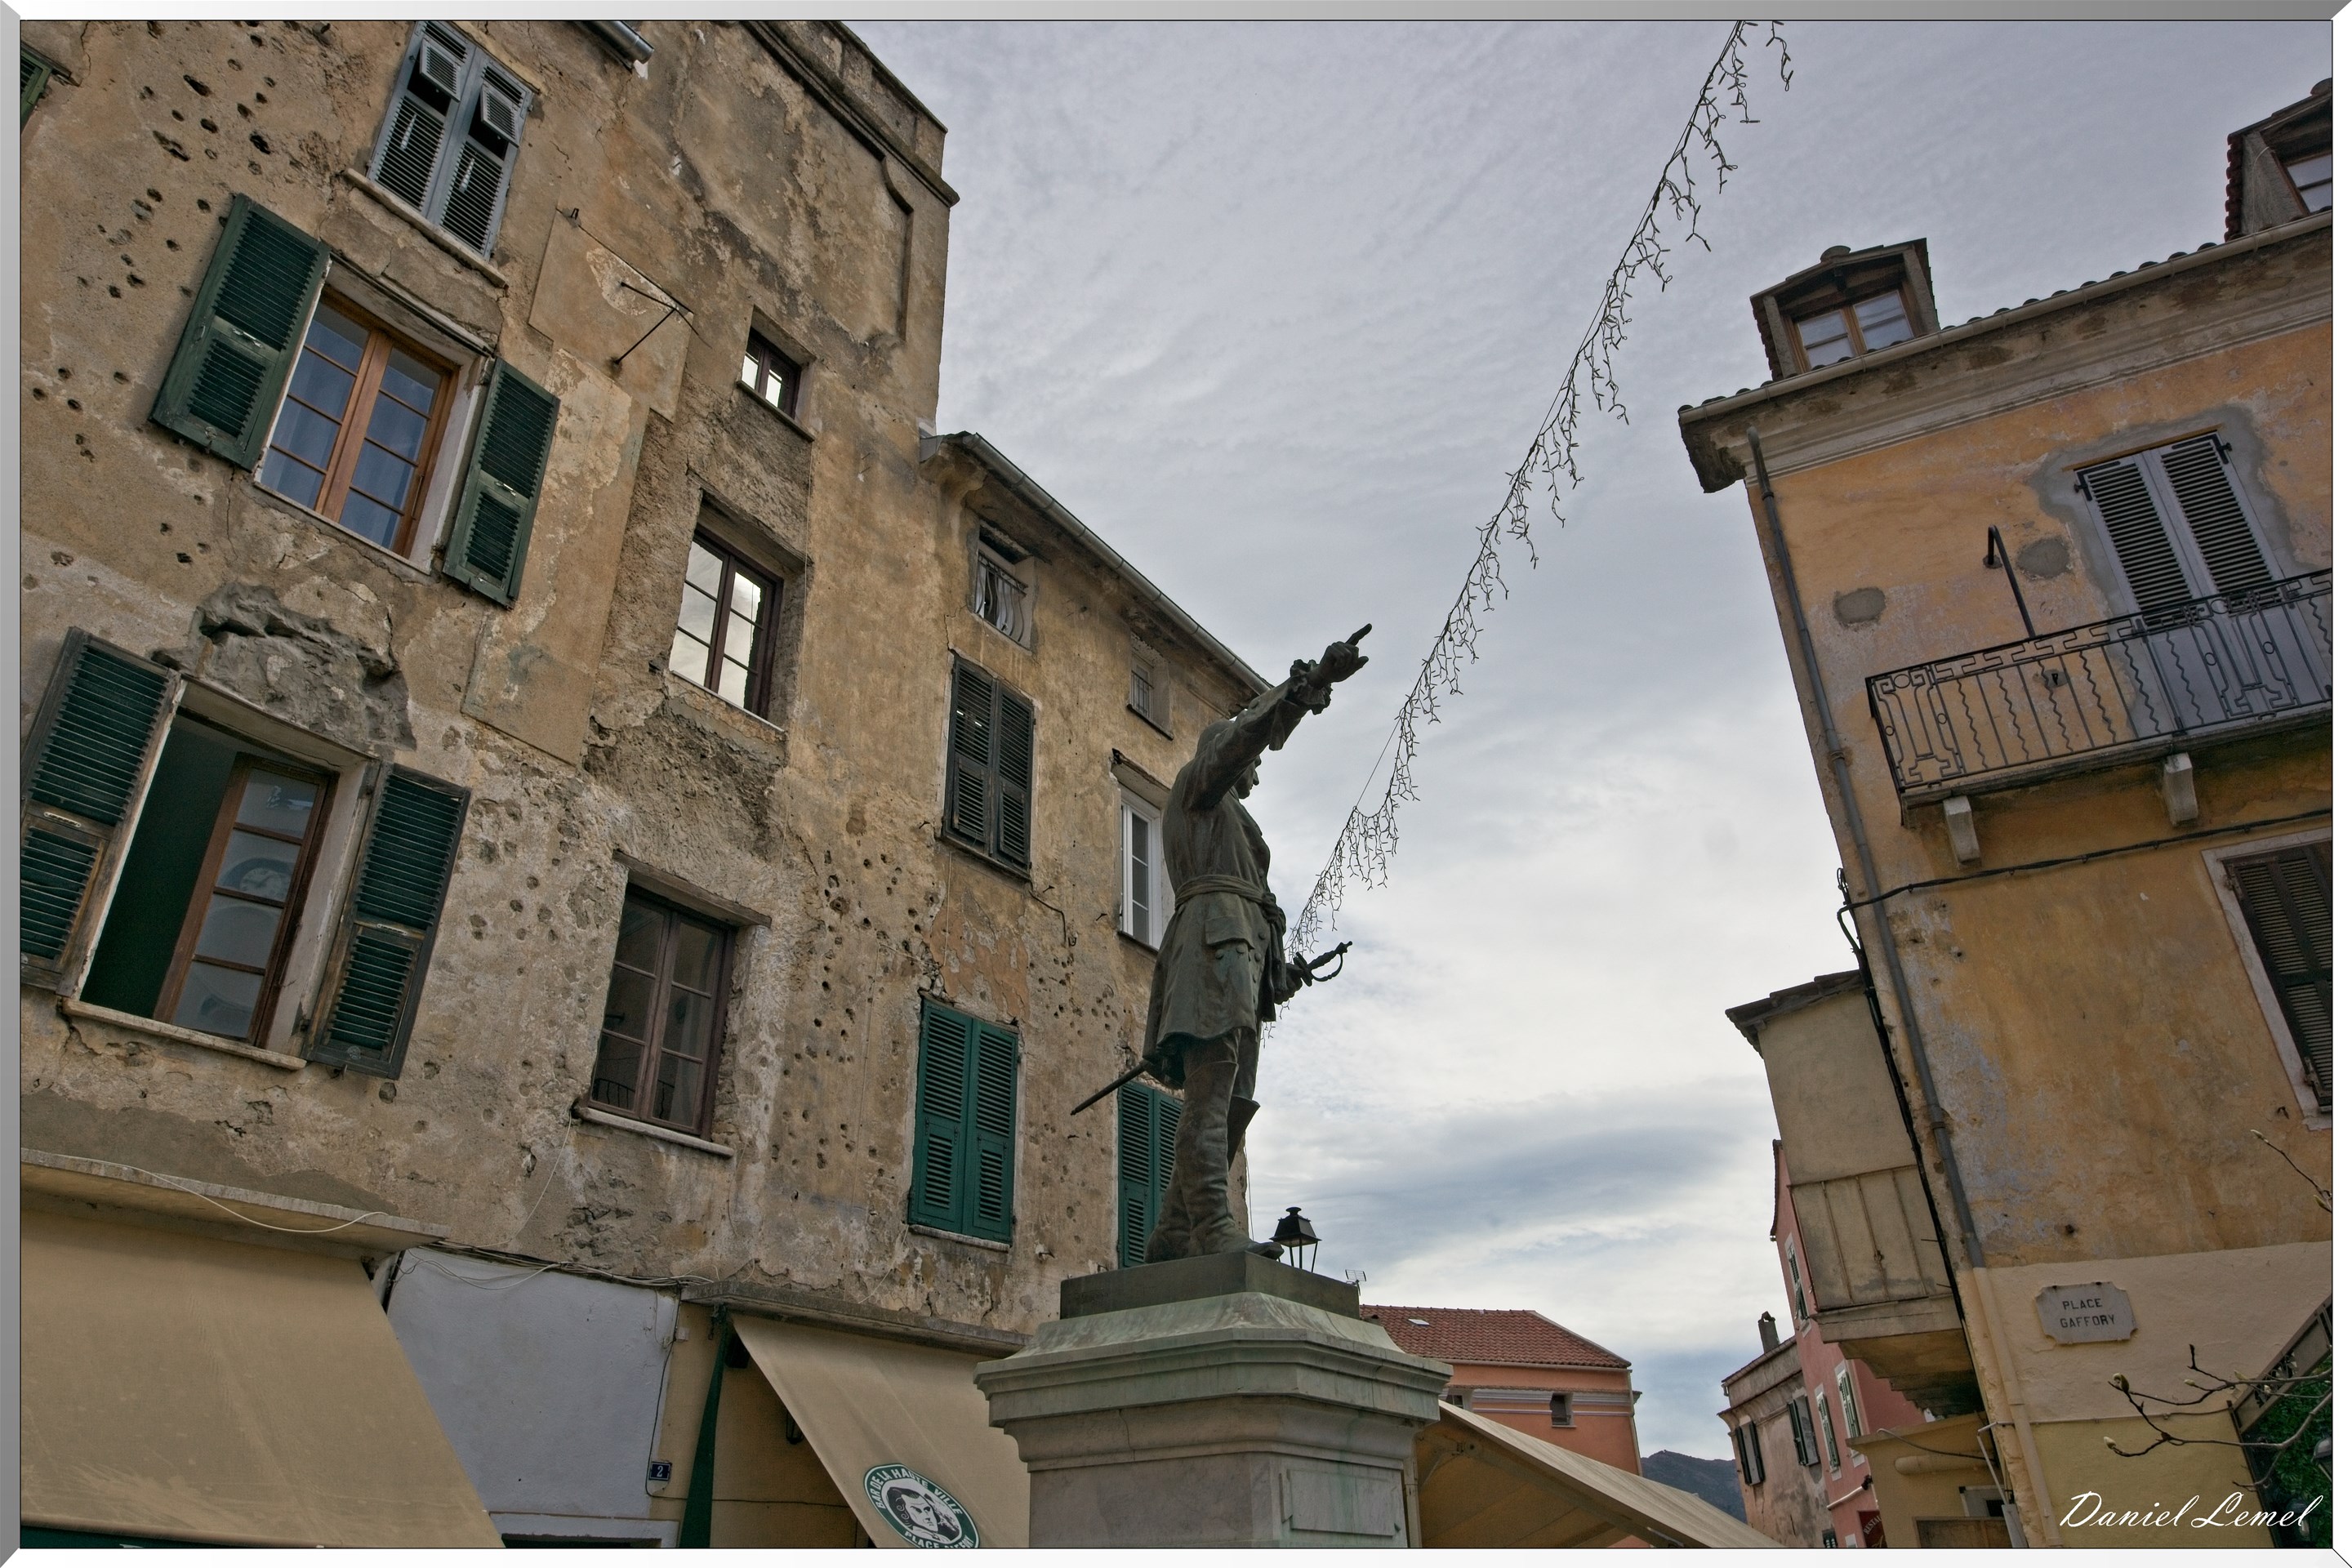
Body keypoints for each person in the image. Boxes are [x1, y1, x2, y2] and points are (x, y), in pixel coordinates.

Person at [1140, 632, 1367, 1260]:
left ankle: (1173, 1234)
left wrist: (1278, 974)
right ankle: (1214, 1229)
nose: (1256, 773)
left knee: (1234, 1103)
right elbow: (1243, 741)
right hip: (1211, 949)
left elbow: (1248, 910)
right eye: (1249, 765)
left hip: (1237, 955)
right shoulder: (1198, 784)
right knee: (1212, 1093)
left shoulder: (1230, 823)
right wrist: (1309, 684)